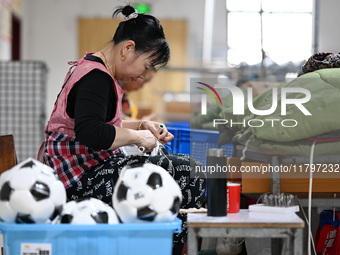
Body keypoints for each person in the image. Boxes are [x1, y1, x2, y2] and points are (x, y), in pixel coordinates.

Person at [41, 5, 206, 255]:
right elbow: (91, 132)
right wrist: (139, 137)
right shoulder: (96, 78)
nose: (143, 76)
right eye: (147, 65)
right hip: (78, 181)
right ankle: (168, 248)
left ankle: (161, 246)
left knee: (182, 168)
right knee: (187, 171)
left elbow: (97, 125)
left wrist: (141, 125)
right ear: (128, 48)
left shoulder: (94, 69)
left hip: (87, 171)